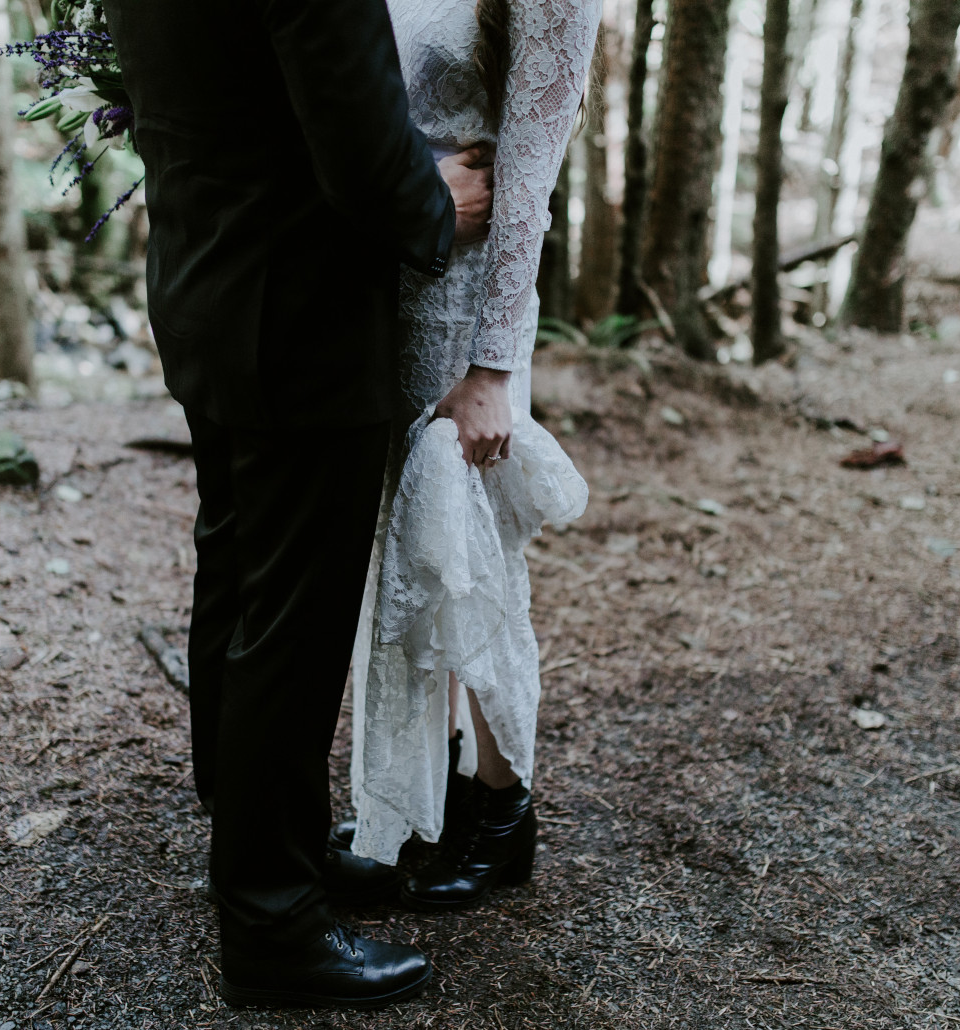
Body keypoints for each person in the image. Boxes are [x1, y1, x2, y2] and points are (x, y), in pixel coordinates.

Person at [101, 0, 496, 1010]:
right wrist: (436, 206)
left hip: (202, 282)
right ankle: (269, 917)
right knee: (292, 621)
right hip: (300, 314)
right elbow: (357, 145)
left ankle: (251, 833)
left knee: (236, 574)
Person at [337, 0, 600, 909]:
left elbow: (528, 177)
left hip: (467, 309)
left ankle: (504, 808)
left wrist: (494, 365)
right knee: (414, 557)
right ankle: (425, 798)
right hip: (394, 287)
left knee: (474, 553)